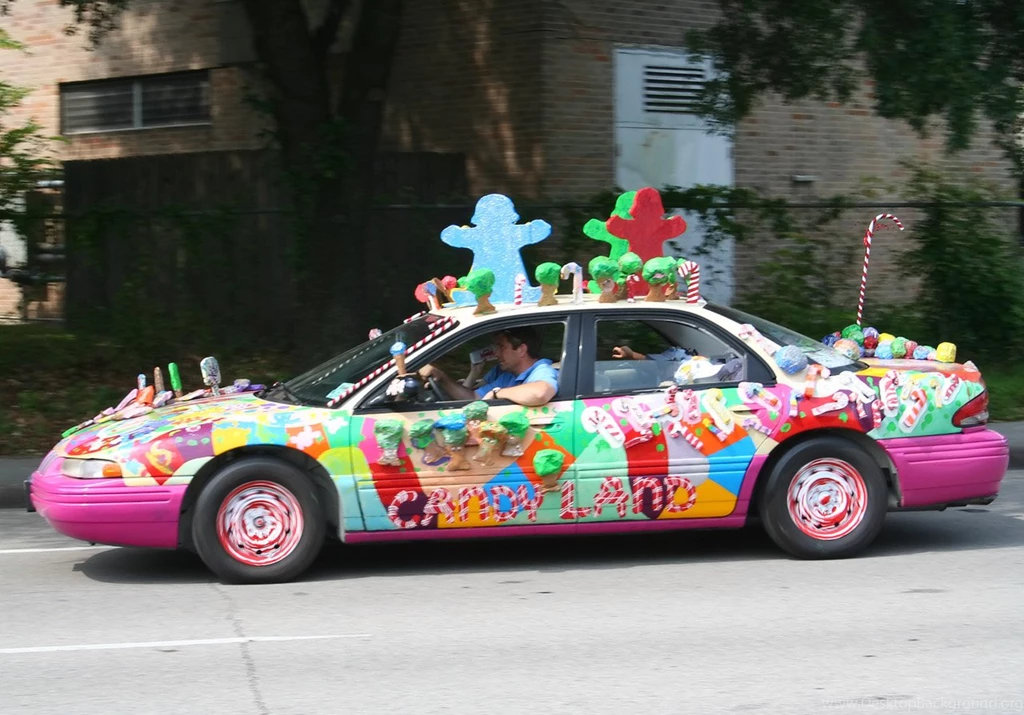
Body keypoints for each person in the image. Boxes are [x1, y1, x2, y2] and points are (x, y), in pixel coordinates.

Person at [419, 326, 559, 407]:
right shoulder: (508, 376)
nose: (496, 353)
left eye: (501, 347)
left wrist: (497, 393)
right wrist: (443, 378)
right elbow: (474, 397)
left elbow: (540, 393)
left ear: (521, 350)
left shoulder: (542, 370)